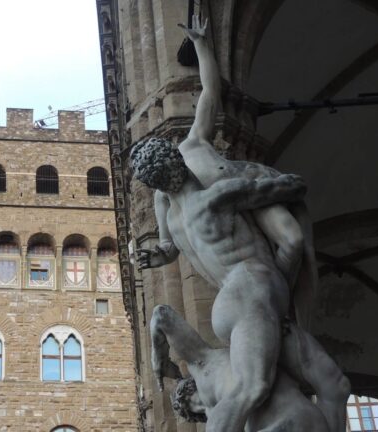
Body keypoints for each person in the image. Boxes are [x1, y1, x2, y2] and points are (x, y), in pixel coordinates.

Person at [132, 15, 349, 432]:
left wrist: (149, 254)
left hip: (260, 300)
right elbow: (290, 184)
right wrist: (256, 176)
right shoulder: (218, 195)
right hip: (250, 291)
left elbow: (165, 250)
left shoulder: (164, 205)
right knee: (250, 388)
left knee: (334, 383)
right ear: (176, 159)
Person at [151, 304, 330, 432]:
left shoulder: (204, 364)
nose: (199, 405)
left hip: (296, 418)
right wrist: (160, 360)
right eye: (192, 408)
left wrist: (159, 359)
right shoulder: (223, 407)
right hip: (309, 419)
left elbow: (161, 314)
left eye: (189, 401)